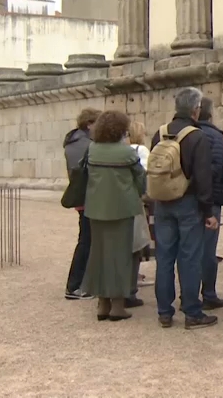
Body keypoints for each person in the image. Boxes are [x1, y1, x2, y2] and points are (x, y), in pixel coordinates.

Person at [150, 87, 218, 329]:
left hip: (162, 202)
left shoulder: (159, 134)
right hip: (188, 203)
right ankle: (192, 311)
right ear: (195, 109)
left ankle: (164, 311)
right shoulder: (196, 136)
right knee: (189, 257)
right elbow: (203, 177)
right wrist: (208, 211)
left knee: (164, 257)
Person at [81, 110, 146, 322]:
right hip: (122, 209)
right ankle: (117, 305)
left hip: (96, 209)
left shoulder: (92, 150)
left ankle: (102, 303)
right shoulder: (126, 152)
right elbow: (140, 181)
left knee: (99, 255)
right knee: (120, 257)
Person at [63, 107, 101, 300]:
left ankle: (81, 283)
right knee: (86, 242)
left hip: (83, 197)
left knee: (87, 240)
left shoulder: (74, 141)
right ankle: (75, 285)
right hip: (88, 197)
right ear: (89, 124)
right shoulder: (86, 144)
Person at [198, 96, 223, 309]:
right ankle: (208, 294)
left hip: (181, 198)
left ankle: (187, 296)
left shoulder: (171, 132)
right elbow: (219, 169)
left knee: (188, 250)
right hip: (210, 198)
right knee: (208, 250)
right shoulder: (215, 136)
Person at [126, 121, 152, 299]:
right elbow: (145, 174)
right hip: (137, 199)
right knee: (138, 240)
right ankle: (132, 279)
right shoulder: (141, 151)